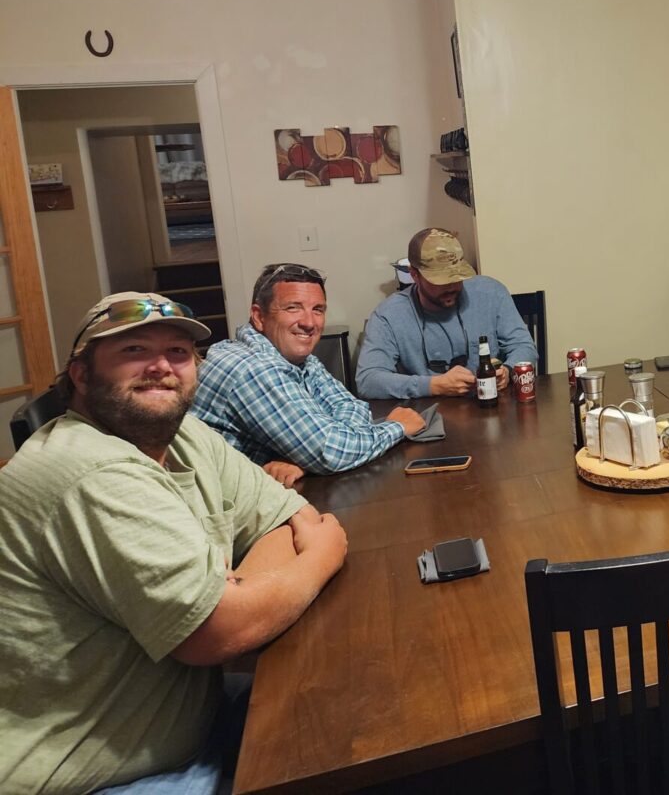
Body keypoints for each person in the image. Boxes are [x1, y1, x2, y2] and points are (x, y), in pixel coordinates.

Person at [0, 291, 347, 794]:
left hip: (185, 723)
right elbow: (216, 635)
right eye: (134, 350)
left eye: (178, 353)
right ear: (80, 374)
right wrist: (319, 561)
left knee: (348, 713)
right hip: (97, 774)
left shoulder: (185, 434)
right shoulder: (89, 471)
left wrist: (241, 595)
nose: (161, 366)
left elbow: (289, 516)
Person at [193, 264, 423, 479]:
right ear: (259, 316)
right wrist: (397, 427)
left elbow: (350, 406)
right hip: (221, 514)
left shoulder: (298, 358)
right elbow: (330, 451)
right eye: (293, 308)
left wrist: (305, 454)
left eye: (318, 310)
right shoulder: (249, 368)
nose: (309, 323)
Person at [356, 227, 538, 399]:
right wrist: (433, 386)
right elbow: (367, 380)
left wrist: (508, 370)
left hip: (492, 408)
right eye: (439, 280)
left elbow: (524, 346)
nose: (451, 286)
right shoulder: (389, 315)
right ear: (414, 275)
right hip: (429, 419)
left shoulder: (491, 293)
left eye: (456, 276)